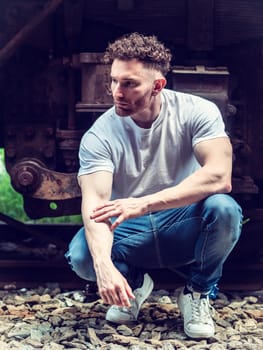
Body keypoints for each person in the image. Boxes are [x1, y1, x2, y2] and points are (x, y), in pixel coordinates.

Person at [65, 32, 243, 339]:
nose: (116, 92)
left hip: (180, 220)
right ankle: (131, 286)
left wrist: (144, 202)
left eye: (129, 83)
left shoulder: (196, 111)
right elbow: (94, 205)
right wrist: (104, 267)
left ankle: (197, 293)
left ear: (158, 86)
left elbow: (219, 176)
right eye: (114, 80)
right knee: (82, 255)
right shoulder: (99, 135)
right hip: (129, 226)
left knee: (224, 210)